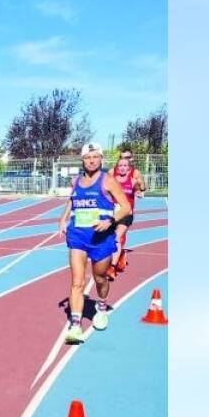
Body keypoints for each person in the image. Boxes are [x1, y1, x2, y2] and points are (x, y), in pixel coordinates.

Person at [56, 143, 133, 344]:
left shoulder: (107, 181)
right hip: (78, 237)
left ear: (101, 159)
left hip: (101, 239)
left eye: (95, 157)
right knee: (77, 282)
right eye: (88, 157)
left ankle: (101, 306)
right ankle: (75, 325)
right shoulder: (76, 181)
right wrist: (63, 219)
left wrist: (110, 221)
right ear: (82, 160)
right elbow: (72, 200)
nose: (91, 160)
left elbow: (126, 208)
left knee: (100, 279)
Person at [108, 148, 147, 276]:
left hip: (126, 212)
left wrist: (140, 191)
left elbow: (141, 188)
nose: (124, 164)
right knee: (110, 238)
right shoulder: (111, 173)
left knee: (118, 237)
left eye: (128, 158)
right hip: (112, 211)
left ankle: (112, 267)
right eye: (122, 159)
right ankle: (119, 255)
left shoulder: (135, 175)